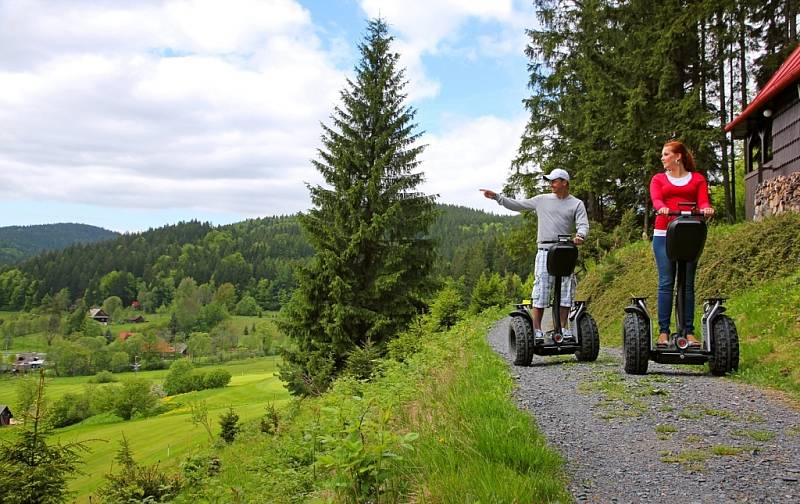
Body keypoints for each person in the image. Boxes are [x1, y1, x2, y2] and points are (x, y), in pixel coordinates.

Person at [480, 168, 589, 343]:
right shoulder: (541, 200)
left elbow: (583, 224)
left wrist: (580, 236)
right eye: (550, 181)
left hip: (565, 251)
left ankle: (564, 328)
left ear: (565, 183)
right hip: (545, 251)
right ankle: (537, 330)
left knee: (565, 291)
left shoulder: (576, 203)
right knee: (541, 291)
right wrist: (497, 197)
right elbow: (518, 205)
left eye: (554, 181)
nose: (551, 184)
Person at [650, 140, 715, 348]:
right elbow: (657, 201)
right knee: (667, 281)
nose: (662, 158)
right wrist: (662, 209)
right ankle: (663, 332)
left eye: (666, 154)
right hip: (664, 234)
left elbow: (703, 201)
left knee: (687, 282)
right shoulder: (658, 179)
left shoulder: (697, 179)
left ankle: (688, 332)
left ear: (678, 156)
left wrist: (706, 209)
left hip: (689, 233)